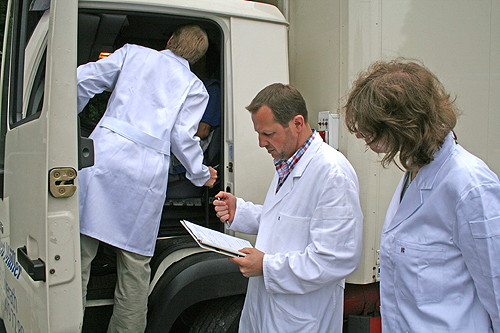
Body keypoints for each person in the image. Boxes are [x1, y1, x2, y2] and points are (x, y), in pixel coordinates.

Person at [77, 25, 217, 332]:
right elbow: (183, 138)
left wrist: (59, 126)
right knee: (134, 266)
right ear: (198, 59)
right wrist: (202, 174)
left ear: (169, 41)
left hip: (103, 157)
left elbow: (82, 80)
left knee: (79, 256)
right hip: (145, 174)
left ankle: (66, 324)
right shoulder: (196, 87)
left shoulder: (132, 54)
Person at [344, 58, 500, 332]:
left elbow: (496, 288)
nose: (364, 138)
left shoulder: (469, 185)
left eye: (372, 129)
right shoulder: (415, 172)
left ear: (404, 124)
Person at [214, 83, 363, 332]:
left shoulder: (332, 172)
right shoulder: (288, 161)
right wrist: (239, 211)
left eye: (268, 134)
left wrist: (267, 266)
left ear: (297, 123)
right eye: (258, 133)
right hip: (269, 312)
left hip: (303, 318)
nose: (261, 142)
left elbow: (336, 258)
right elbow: (285, 221)